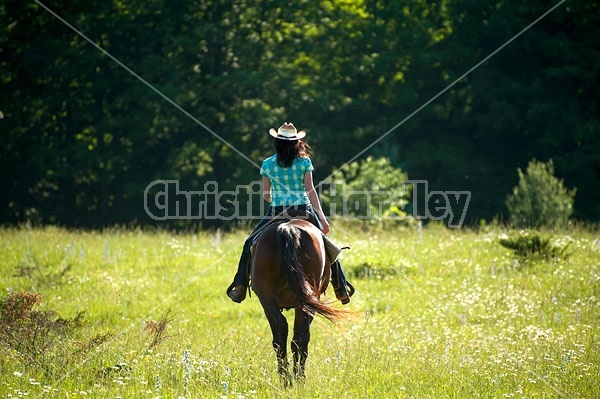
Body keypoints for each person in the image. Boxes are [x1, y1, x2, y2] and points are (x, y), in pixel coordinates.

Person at [226, 122, 354, 304]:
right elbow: (310, 191)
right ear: (297, 143)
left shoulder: (267, 164)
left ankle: (240, 286)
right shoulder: (304, 162)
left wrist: (279, 199)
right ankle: (341, 288)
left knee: (249, 243)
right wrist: (323, 220)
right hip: (303, 210)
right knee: (328, 247)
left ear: (277, 142)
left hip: (277, 212)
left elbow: (265, 195)